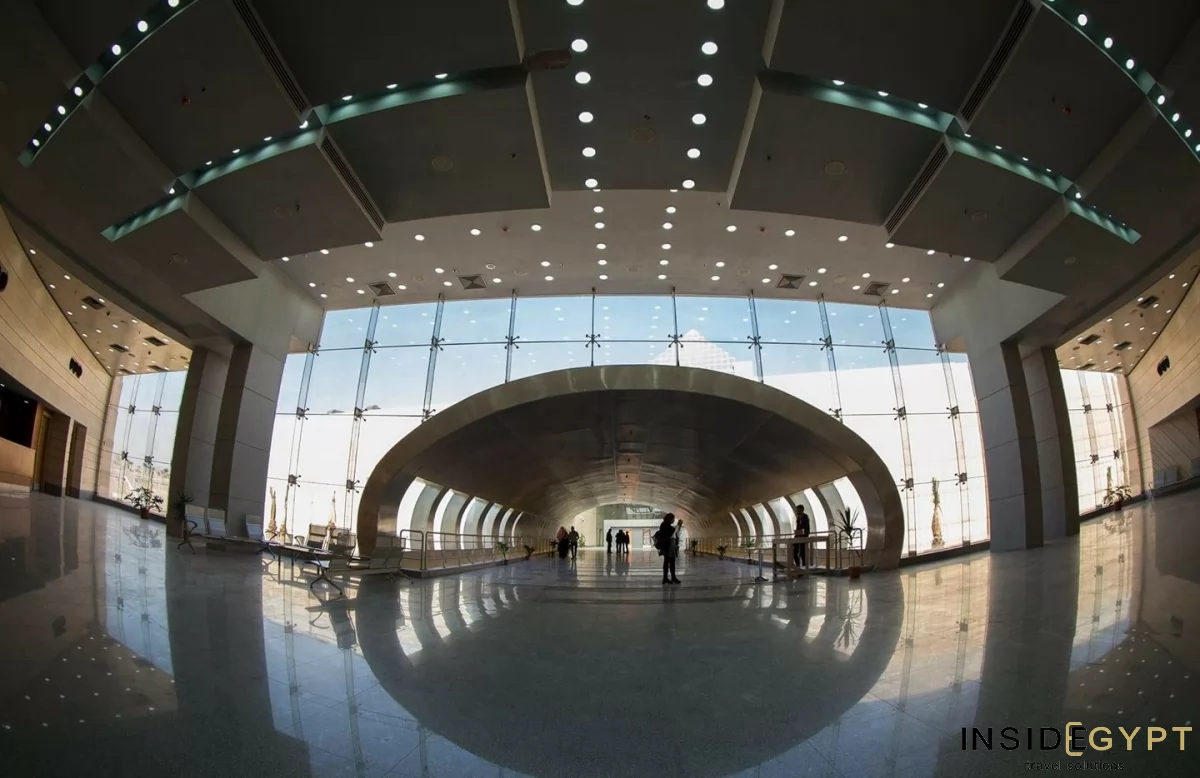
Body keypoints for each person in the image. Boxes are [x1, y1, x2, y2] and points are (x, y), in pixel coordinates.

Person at [656, 513, 681, 584]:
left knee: (667, 561)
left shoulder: (664, 524)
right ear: (670, 518)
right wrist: (675, 529)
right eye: (673, 518)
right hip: (667, 546)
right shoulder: (665, 525)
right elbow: (668, 534)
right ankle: (670, 578)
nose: (673, 520)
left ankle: (666, 578)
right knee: (670, 562)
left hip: (666, 546)